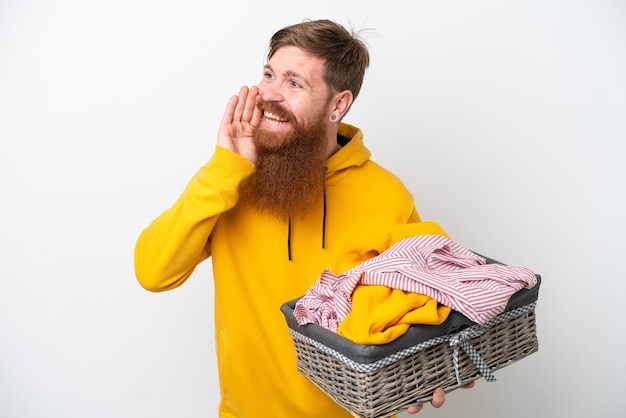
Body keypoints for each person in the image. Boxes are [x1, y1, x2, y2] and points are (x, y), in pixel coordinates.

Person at [134, 18, 472, 418]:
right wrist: (224, 167)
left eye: (294, 83)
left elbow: (426, 302)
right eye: (269, 74)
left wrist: (433, 363)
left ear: (338, 104)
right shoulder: (230, 180)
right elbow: (153, 272)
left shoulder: (387, 195)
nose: (269, 94)